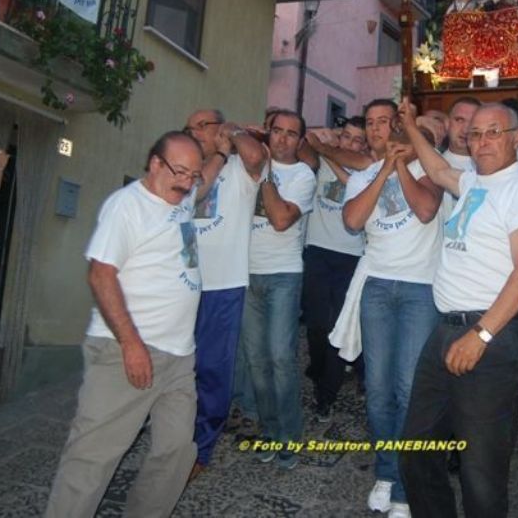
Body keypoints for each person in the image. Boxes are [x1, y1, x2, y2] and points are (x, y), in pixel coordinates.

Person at [398, 99, 518, 518]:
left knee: (480, 472)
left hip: (494, 335)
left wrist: (481, 335)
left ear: (516, 138)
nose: (481, 141)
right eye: (475, 133)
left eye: (493, 132)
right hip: (447, 330)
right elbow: (438, 170)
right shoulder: (476, 184)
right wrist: (410, 125)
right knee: (417, 451)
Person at [45, 131, 203, 517]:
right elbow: (100, 275)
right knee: (92, 458)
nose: (186, 182)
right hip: (129, 350)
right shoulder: (127, 206)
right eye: (180, 172)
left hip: (179, 356)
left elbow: (207, 169)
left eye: (193, 176)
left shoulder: (180, 197)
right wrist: (131, 345)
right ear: (154, 164)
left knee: (177, 449)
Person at [341, 99, 443, 518]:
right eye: (372, 123)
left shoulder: (428, 168)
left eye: (387, 121)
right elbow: (352, 220)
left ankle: (404, 486)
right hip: (377, 288)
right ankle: (385, 472)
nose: (378, 129)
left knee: (407, 389)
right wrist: (382, 169)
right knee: (378, 389)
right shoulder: (362, 176)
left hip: (420, 289)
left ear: (402, 126)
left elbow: (425, 210)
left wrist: (401, 164)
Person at [183, 109, 267, 474]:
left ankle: (201, 447)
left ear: (221, 128)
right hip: (181, 286)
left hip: (224, 285)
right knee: (180, 366)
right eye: (190, 127)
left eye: (204, 125)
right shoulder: (185, 169)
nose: (195, 132)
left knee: (214, 369)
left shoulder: (239, 169)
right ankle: (176, 431)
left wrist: (233, 132)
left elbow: (256, 156)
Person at [243, 110, 316, 470]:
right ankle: (269, 431)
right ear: (268, 133)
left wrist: (265, 169)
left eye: (291, 134)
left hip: (284, 275)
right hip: (246, 274)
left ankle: (291, 435)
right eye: (277, 132)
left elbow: (282, 219)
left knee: (281, 359)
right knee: (257, 361)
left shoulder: (303, 175)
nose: (283, 139)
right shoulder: (247, 166)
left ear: (300, 141)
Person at [300, 117, 369, 422]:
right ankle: (318, 371)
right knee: (315, 325)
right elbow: (302, 149)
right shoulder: (322, 158)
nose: (351, 143)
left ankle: (326, 394)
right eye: (347, 137)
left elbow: (349, 185)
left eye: (358, 140)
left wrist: (328, 150)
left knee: (336, 327)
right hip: (317, 250)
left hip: (351, 256)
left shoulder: (367, 169)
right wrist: (316, 140)